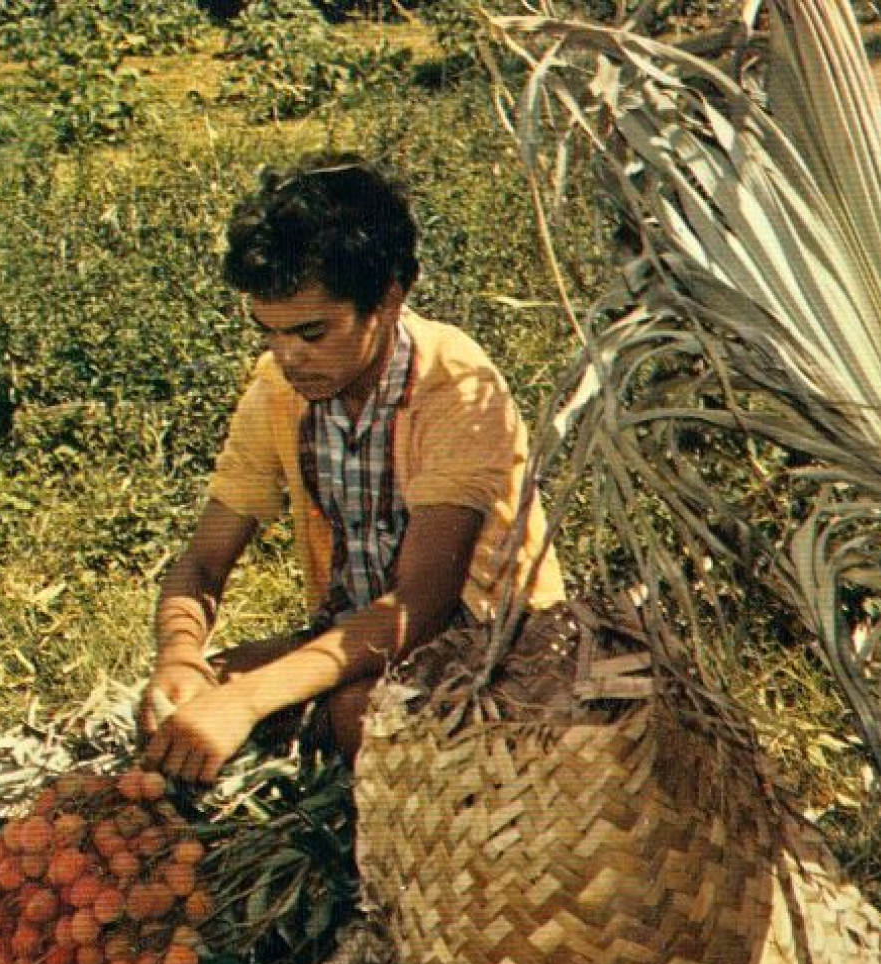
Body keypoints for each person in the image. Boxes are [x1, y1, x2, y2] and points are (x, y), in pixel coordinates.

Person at [139, 153, 565, 783]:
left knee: (354, 714)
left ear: (389, 298)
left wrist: (252, 698)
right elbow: (203, 563)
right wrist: (181, 657)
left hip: (495, 648)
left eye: (312, 333)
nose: (287, 357)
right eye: (269, 333)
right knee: (178, 711)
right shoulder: (279, 392)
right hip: (358, 641)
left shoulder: (457, 387)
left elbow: (419, 606)